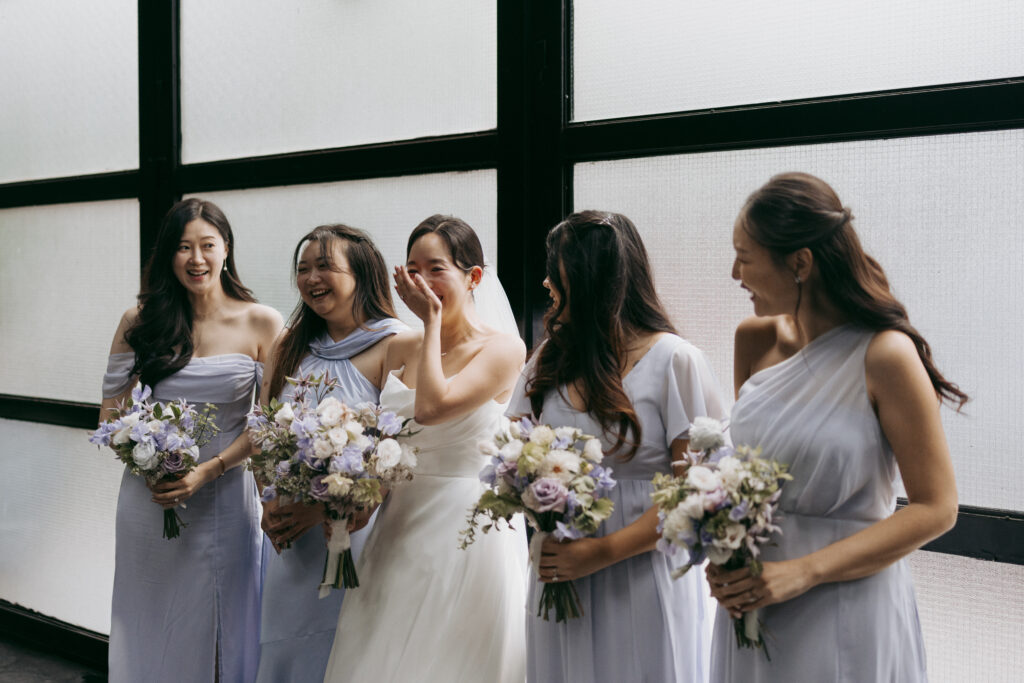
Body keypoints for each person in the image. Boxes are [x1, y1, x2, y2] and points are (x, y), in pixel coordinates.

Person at [708, 172, 962, 681]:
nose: (734, 273)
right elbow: (749, 471)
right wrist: (722, 546)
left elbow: (938, 508)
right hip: (755, 600)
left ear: (800, 263)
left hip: (849, 600)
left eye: (746, 256)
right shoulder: (753, 339)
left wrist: (802, 571)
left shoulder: (885, 354)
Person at [510, 210, 728, 683]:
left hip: (644, 570)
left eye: (557, 268)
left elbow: (693, 490)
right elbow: (515, 454)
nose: (546, 281)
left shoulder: (676, 361)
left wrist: (602, 551)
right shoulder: (550, 358)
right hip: (561, 566)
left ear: (591, 277)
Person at [322, 215, 528, 683]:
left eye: (436, 269)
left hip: (464, 525)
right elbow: (386, 436)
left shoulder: (503, 349)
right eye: (413, 269)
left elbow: (434, 408)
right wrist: (361, 491)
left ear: (474, 277)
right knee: (380, 649)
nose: (422, 282)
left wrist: (432, 318)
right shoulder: (401, 346)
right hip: (398, 521)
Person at [100, 198, 283, 682]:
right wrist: (154, 466)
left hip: (225, 494)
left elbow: (269, 422)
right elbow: (112, 411)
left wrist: (210, 469)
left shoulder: (262, 322)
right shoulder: (139, 321)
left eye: (207, 245)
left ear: (226, 249)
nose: (196, 259)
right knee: (152, 616)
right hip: (151, 497)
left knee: (227, 619)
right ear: (168, 256)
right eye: (183, 247)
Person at [255, 225, 405, 682]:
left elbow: (404, 448)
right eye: (303, 269)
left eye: (325, 266)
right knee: (286, 644)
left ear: (362, 274)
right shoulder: (291, 343)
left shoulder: (396, 344)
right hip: (289, 535)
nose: (312, 278)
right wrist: (270, 501)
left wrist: (324, 507)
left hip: (357, 531)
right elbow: (263, 430)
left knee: (345, 648)